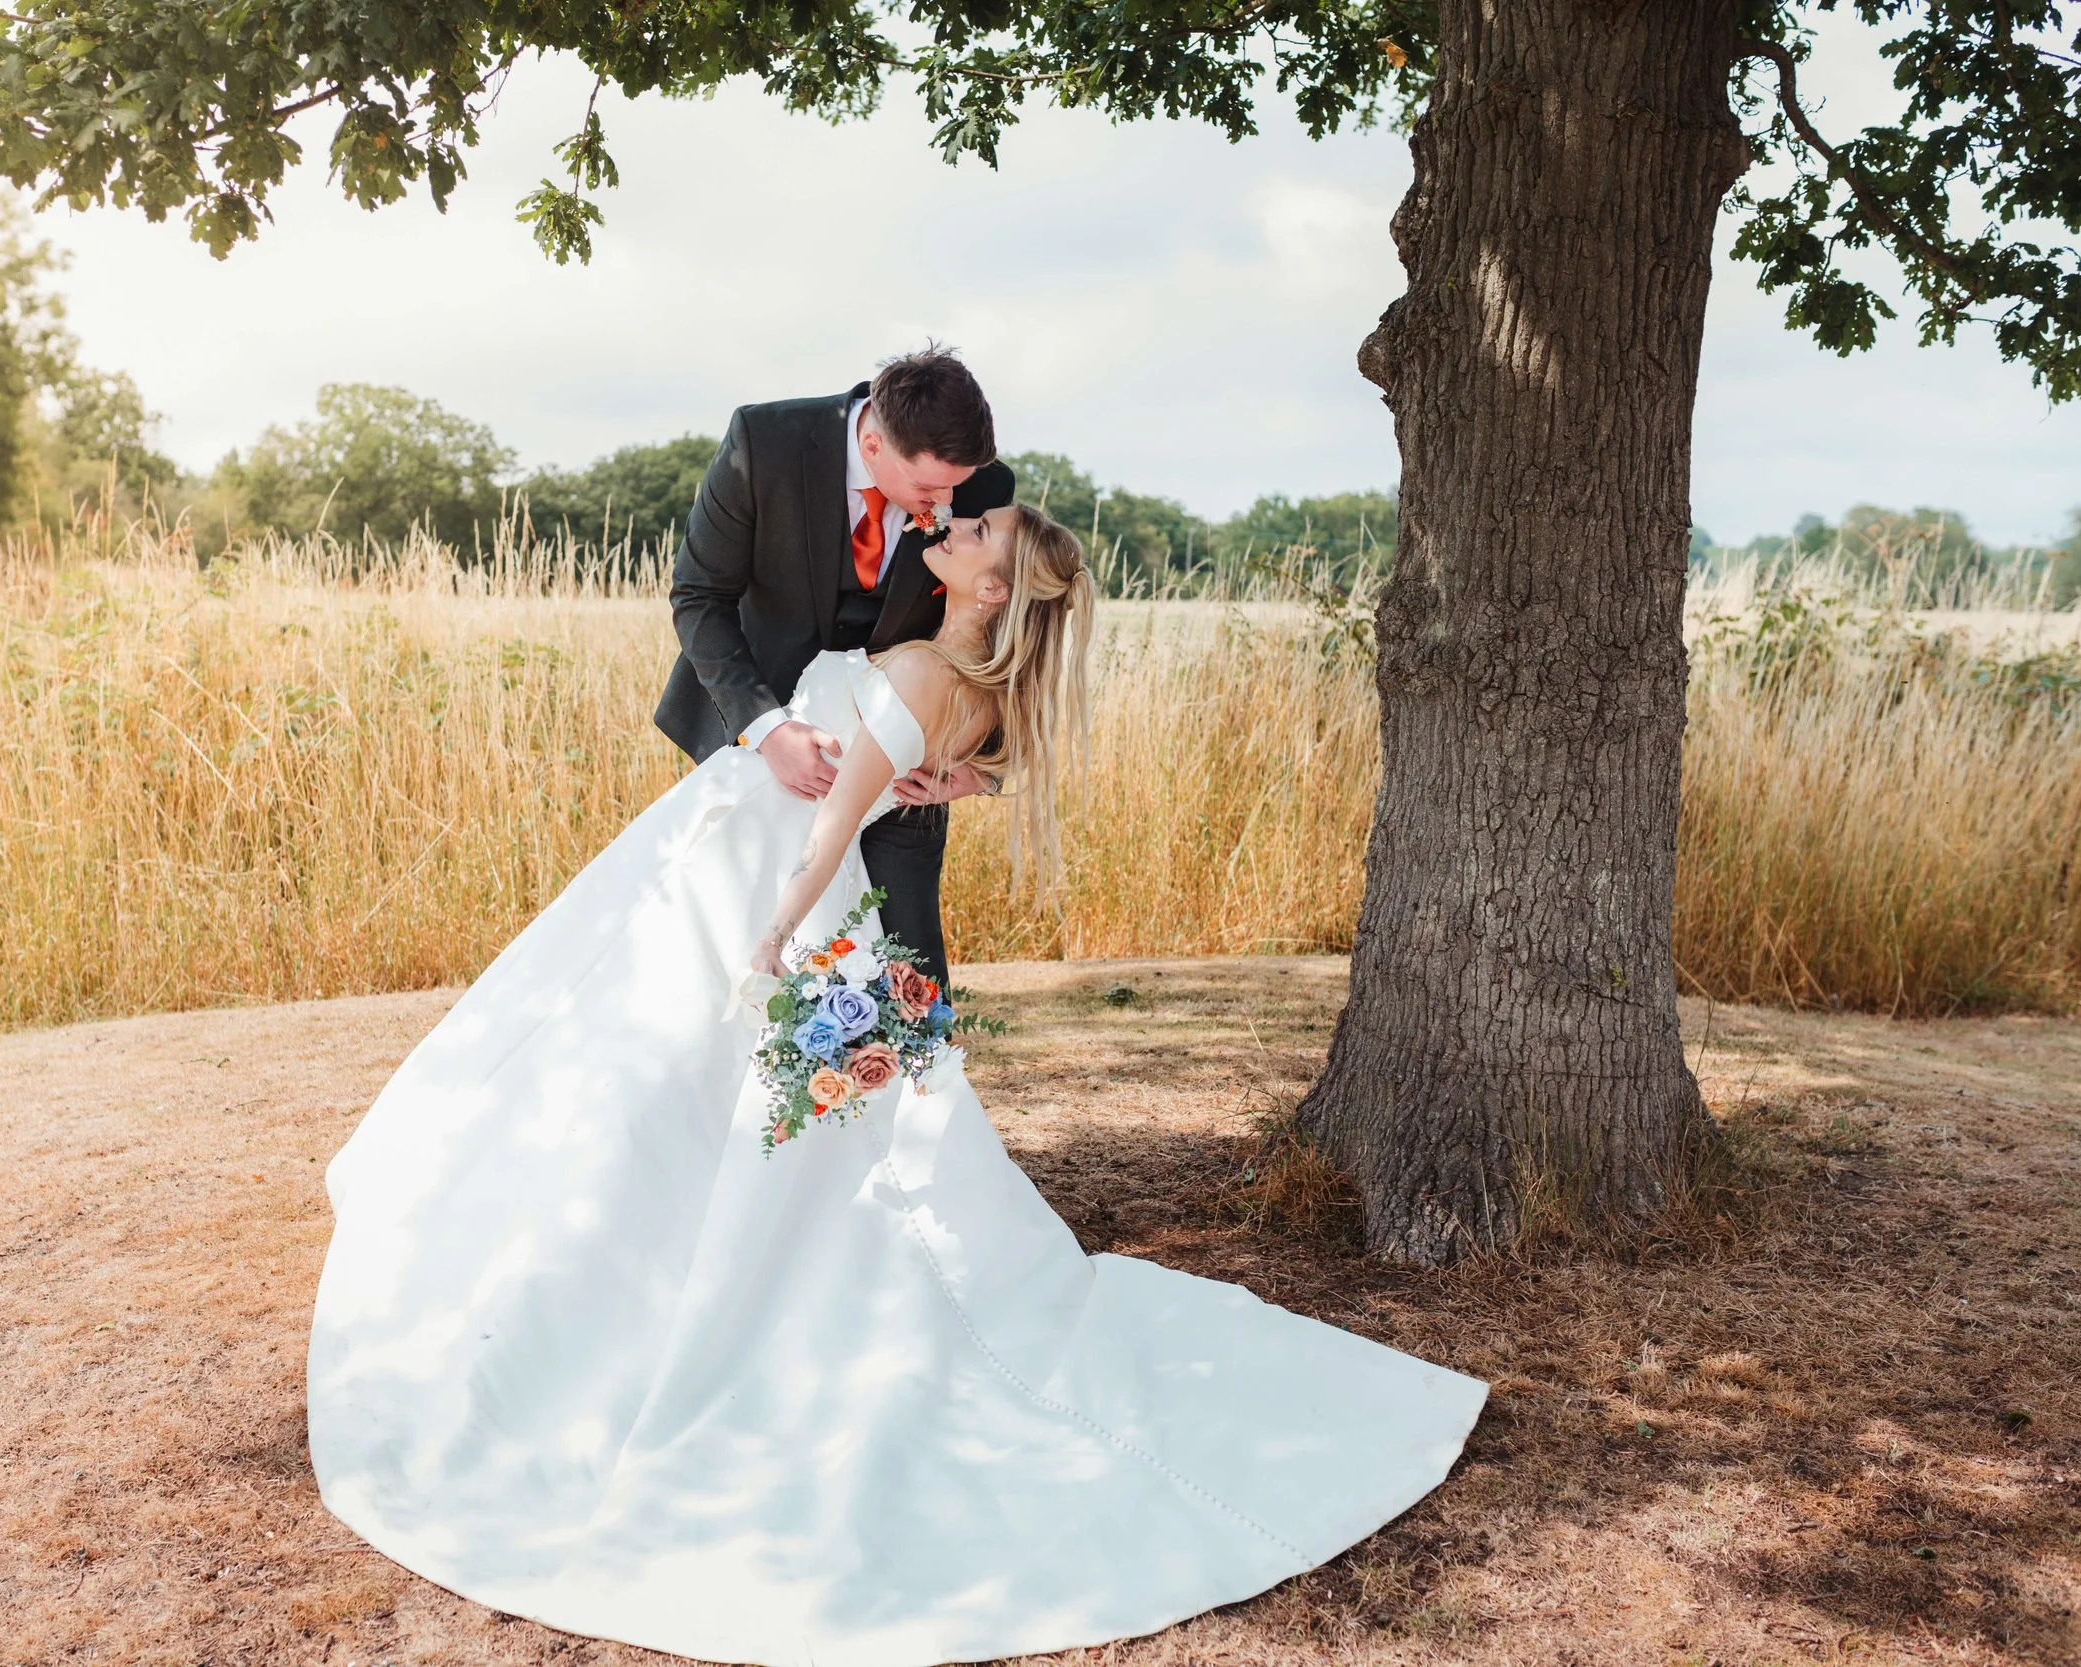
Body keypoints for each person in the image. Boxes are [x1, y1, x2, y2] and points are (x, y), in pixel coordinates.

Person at [306, 498, 1489, 1667]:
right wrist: (949, 783)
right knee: (706, 1091)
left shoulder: (926, 666)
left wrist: (774, 925)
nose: (962, 528)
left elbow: (828, 820)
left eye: (979, 537)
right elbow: (928, 762)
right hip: (767, 871)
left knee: (686, 1081)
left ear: (989, 588)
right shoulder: (972, 688)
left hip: (770, 880)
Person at [653, 345, 1016, 985]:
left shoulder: (981, 486)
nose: (944, 503)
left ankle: (911, 1084)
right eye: (929, 487)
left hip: (902, 770)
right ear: (872, 443)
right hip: (753, 751)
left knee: (909, 975)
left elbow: (1005, 632)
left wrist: (984, 769)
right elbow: (699, 597)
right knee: (726, 955)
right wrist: (767, 730)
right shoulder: (762, 442)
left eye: (954, 488)